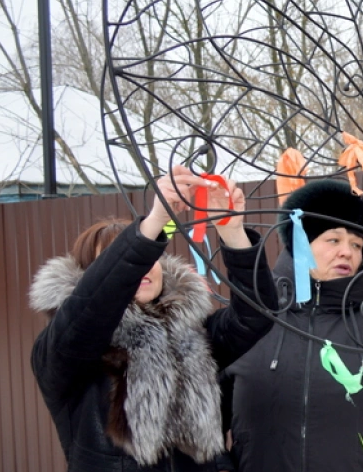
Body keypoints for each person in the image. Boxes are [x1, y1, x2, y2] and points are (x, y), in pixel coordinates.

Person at [28, 165, 278, 472]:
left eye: (152, 258)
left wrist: (232, 231)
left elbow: (256, 314)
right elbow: (92, 307)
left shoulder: (192, 335)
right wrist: (156, 220)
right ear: (89, 279)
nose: (144, 268)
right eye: (132, 261)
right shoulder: (63, 349)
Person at [223, 178, 363, 472]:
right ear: (300, 243)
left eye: (356, 244)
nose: (347, 252)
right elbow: (205, 416)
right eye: (334, 239)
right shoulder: (251, 322)